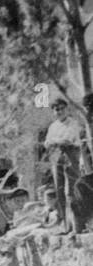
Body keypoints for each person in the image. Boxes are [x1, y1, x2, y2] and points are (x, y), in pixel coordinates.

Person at [44, 98, 86, 234]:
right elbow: (46, 143)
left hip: (70, 156)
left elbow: (67, 140)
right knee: (59, 191)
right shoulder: (52, 126)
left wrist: (54, 141)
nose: (60, 111)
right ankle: (65, 226)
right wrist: (54, 142)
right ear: (53, 112)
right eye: (57, 109)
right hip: (56, 158)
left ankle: (78, 225)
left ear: (67, 109)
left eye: (62, 108)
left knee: (71, 191)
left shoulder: (73, 123)